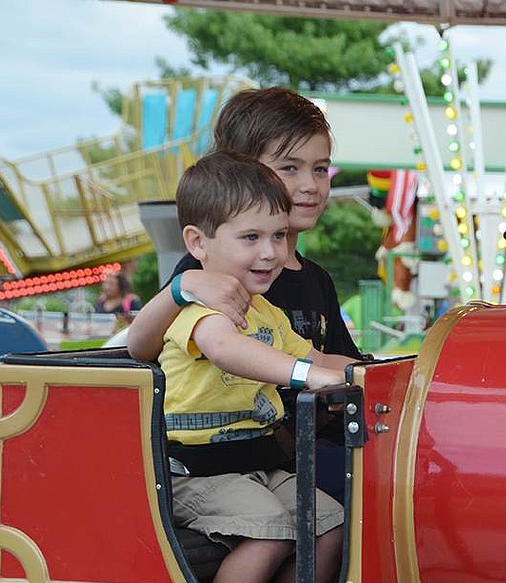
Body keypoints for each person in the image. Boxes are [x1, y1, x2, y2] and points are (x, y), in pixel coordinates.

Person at [128, 87, 365, 502]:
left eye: (321, 170)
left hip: (300, 447)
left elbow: (341, 361)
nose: (310, 186)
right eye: (289, 169)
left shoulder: (317, 280)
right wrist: (180, 290)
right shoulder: (208, 275)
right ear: (242, 171)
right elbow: (143, 346)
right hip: (238, 456)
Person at [162, 151, 353, 583]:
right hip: (195, 471)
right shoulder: (200, 309)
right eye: (251, 237)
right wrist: (308, 375)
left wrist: (397, 375)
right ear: (199, 243)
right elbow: (228, 350)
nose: (271, 253)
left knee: (329, 526)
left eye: (279, 236)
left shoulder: (265, 312)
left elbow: (319, 358)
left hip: (256, 463)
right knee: (268, 532)